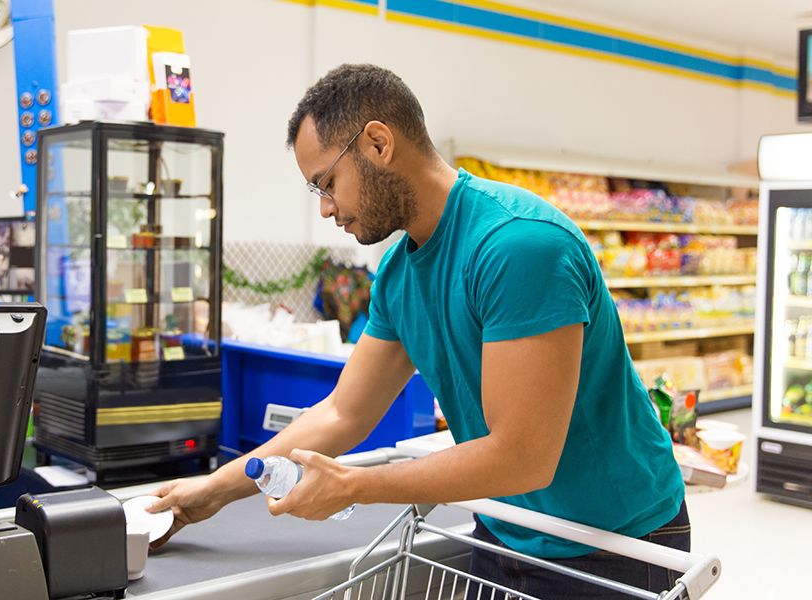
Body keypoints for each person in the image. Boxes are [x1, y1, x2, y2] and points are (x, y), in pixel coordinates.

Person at [149, 64, 689, 598]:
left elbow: (523, 457)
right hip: (505, 530)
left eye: (328, 182)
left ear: (379, 143)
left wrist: (356, 487)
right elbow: (343, 413)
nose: (326, 208)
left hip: (615, 543)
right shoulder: (399, 272)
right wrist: (214, 491)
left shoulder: (519, 246)